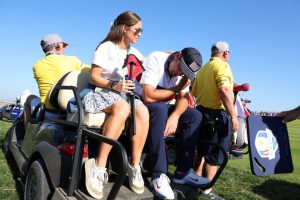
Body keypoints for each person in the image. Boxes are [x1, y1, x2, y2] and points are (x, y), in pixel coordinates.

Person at [82, 11, 149, 199]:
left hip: (120, 96)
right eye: (137, 30)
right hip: (100, 92)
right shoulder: (106, 48)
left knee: (143, 111)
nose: (140, 34)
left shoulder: (132, 51)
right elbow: (93, 77)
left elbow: (149, 62)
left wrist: (168, 56)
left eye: (141, 30)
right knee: (123, 107)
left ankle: (134, 166)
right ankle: (98, 165)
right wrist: (114, 85)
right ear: (123, 28)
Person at [138, 47, 210, 199]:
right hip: (139, 104)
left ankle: (182, 172)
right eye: (180, 68)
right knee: (160, 109)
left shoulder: (182, 72)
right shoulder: (156, 58)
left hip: (161, 106)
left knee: (195, 116)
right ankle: (158, 174)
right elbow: (149, 96)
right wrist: (177, 88)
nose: (180, 73)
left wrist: (176, 115)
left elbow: (184, 98)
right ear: (177, 56)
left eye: (185, 72)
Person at [191, 41, 238, 200]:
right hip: (217, 114)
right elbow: (224, 89)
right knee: (216, 154)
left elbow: (194, 93)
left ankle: (195, 182)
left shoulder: (203, 69)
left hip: (201, 112)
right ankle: (206, 190)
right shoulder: (223, 66)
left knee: (201, 151)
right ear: (225, 53)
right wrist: (233, 115)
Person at [24, 33, 90, 127]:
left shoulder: (36, 65)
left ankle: (27, 134)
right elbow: (94, 73)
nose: (64, 50)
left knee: (29, 99)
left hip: (46, 112)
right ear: (57, 46)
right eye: (63, 47)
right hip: (67, 111)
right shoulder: (73, 60)